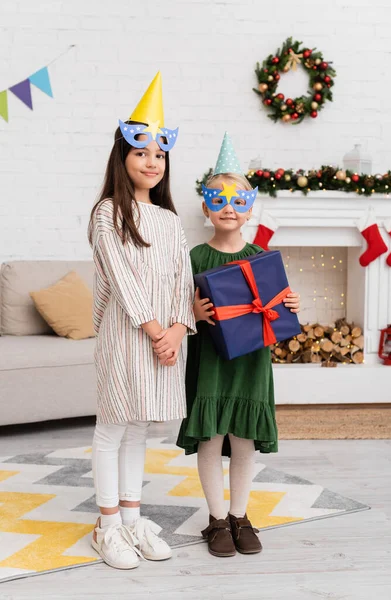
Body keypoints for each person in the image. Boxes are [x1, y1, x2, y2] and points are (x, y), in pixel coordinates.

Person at [88, 72, 196, 569]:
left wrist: (177, 329)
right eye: (141, 153)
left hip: (163, 338)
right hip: (126, 336)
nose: (152, 162)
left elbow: (181, 278)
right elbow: (122, 280)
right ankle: (106, 525)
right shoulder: (109, 212)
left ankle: (132, 517)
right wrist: (155, 330)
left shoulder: (171, 220)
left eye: (160, 155)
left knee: (139, 429)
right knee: (113, 425)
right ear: (123, 157)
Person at [174, 133, 300, 558]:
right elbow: (179, 313)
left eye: (239, 201)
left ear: (249, 209)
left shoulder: (263, 256)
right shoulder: (193, 258)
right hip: (211, 363)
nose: (230, 207)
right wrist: (193, 314)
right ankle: (215, 520)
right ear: (207, 206)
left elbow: (275, 309)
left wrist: (289, 304)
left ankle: (240, 515)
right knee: (211, 439)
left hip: (251, 363)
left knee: (243, 440)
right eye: (220, 199)